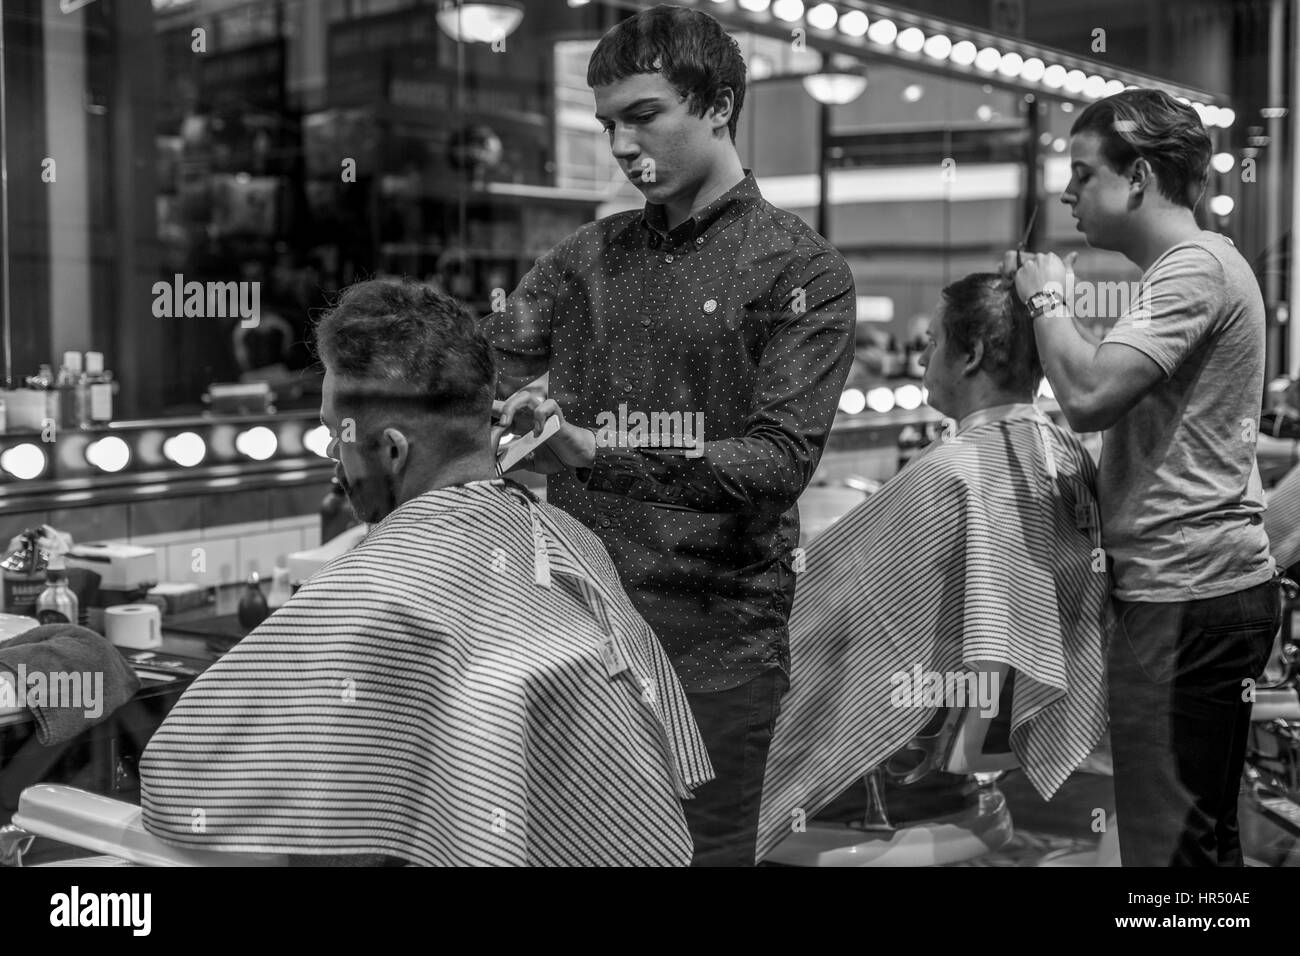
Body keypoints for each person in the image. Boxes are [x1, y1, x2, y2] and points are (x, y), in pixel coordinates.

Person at [139, 279, 712, 866]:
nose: (334, 459)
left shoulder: (376, 596)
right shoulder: (568, 541)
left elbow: (176, 786)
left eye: (335, 436)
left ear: (392, 451)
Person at [487, 4, 856, 866]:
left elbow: (776, 462)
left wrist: (596, 453)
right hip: (574, 631)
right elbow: (490, 363)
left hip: (715, 648)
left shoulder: (801, 271)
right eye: (607, 123)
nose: (621, 145)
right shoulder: (584, 258)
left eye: (644, 115)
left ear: (719, 104)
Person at [1008, 88, 1278, 866]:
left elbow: (1089, 395)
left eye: (1083, 173)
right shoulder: (1190, 269)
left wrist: (1048, 299)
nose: (1066, 193)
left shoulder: (1195, 266)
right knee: (1196, 844)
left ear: (1138, 177)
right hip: (1192, 594)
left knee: (1169, 852)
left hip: (1186, 596)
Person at [755, 273, 1110, 861]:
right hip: (974, 741)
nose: (921, 354)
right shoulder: (1063, 453)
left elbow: (827, 610)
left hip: (898, 755)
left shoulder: (951, 475)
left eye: (934, 341)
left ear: (970, 355)